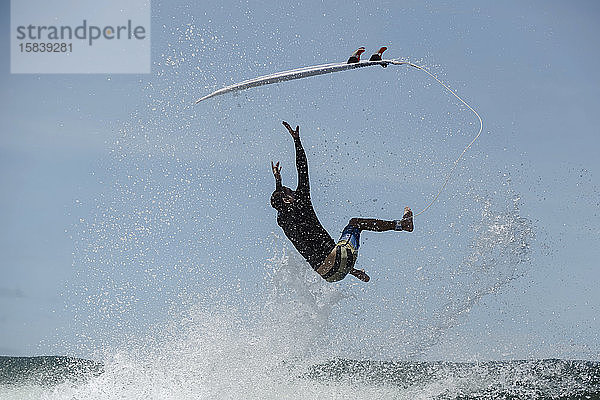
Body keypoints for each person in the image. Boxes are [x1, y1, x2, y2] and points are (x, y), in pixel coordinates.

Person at [270, 121, 414, 283]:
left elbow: (281, 204)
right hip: (337, 259)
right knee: (355, 223)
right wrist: (297, 141)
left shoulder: (282, 220)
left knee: (323, 245)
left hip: (329, 276)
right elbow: (302, 169)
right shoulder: (300, 203)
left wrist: (279, 184)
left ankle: (354, 272)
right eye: (291, 192)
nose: (295, 191)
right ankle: (402, 225)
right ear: (287, 199)